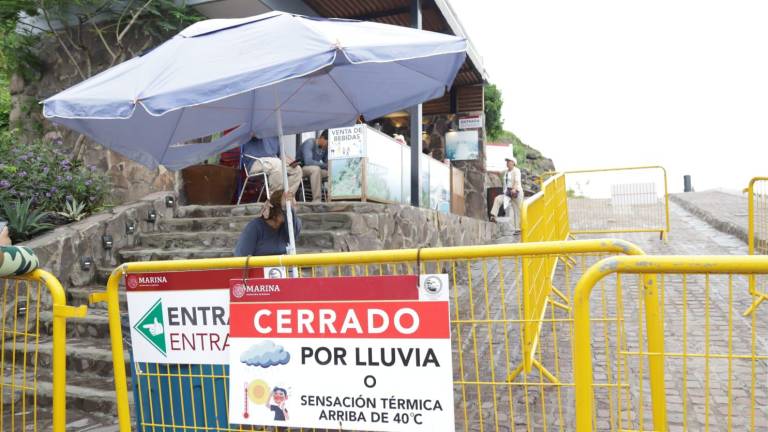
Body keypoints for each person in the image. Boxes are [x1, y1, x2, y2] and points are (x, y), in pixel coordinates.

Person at [233, 191, 302, 256]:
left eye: (293, 207)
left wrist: (289, 209)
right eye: (286, 208)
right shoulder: (255, 227)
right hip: (259, 267)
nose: (289, 211)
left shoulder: (290, 226)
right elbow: (241, 255)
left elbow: (293, 232)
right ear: (276, 209)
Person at [490, 155, 524, 233]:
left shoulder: (516, 171)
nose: (507, 163)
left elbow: (517, 181)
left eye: (508, 161)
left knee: (517, 210)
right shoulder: (506, 171)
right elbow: (498, 172)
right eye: (507, 161)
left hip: (516, 193)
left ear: (513, 162)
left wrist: (514, 189)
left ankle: (518, 229)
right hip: (507, 193)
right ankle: (493, 216)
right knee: (498, 199)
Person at [298, 130, 328, 203]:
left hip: (314, 169)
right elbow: (308, 161)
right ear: (322, 138)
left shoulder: (325, 148)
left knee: (330, 173)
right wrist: (325, 165)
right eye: (327, 143)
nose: (327, 145)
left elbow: (326, 162)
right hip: (301, 168)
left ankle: (332, 198)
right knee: (316, 169)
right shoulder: (310, 143)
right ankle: (317, 200)